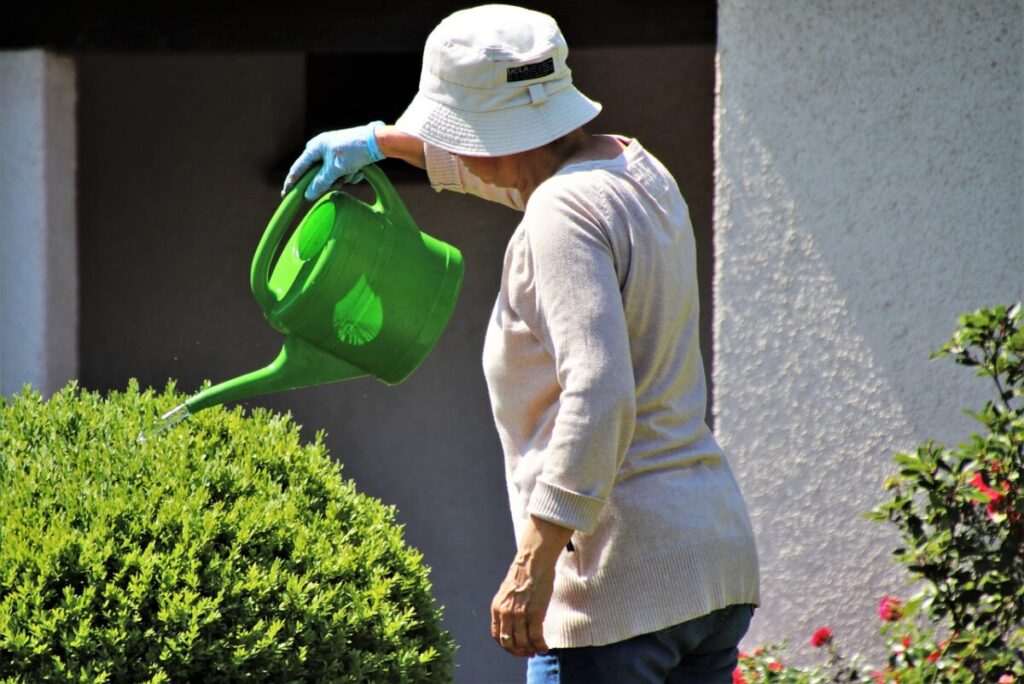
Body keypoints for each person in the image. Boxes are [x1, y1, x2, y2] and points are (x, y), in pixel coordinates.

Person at [282, 5, 760, 682]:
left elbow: (599, 393)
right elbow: (527, 174)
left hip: (616, 586)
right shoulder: (634, 170)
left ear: (485, 133)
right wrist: (386, 142)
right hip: (710, 563)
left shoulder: (559, 215)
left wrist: (534, 566)